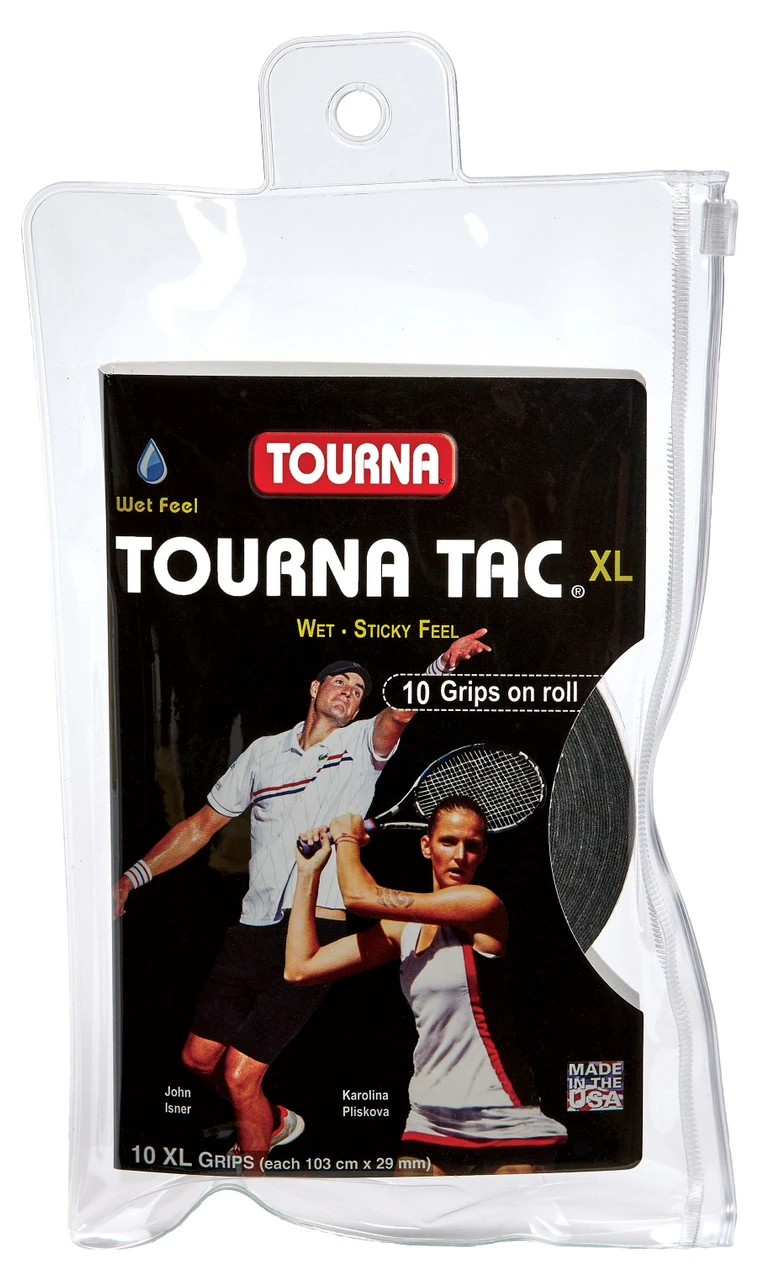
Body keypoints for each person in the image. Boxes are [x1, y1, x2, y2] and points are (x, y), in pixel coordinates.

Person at [113, 630, 491, 1168]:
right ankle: (273, 1120)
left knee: (241, 1075)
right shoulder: (263, 754)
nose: (351, 692)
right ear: (315, 689)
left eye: (359, 690)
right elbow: (201, 826)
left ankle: (253, 1182)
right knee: (198, 1061)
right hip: (251, 929)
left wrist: (443, 664)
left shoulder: (363, 745)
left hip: (315, 929)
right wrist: (132, 878)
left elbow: (400, 713)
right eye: (341, 682)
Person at [286, 799, 567, 1175]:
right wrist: (308, 873)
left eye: (472, 846)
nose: (460, 856)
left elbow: (359, 898)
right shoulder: (401, 930)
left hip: (504, 1112)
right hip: (430, 1115)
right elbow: (300, 968)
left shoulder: (482, 905)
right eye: (448, 841)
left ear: (483, 854)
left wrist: (347, 839)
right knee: (408, 1210)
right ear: (426, 846)